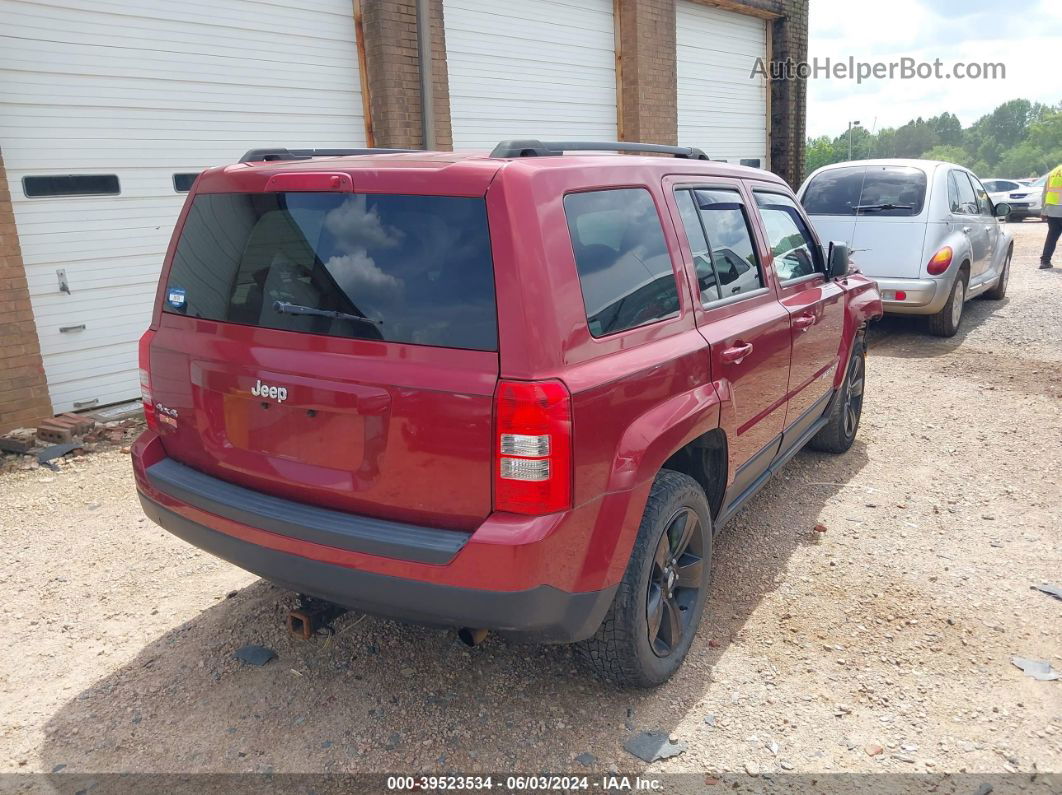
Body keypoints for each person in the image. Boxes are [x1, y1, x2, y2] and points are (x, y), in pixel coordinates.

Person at [1041, 163, 1062, 269]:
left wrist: (1043, 211)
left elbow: (1044, 193)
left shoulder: (1054, 172)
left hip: (1052, 210)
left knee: (1052, 237)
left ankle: (1045, 261)